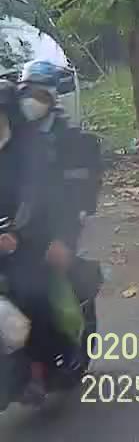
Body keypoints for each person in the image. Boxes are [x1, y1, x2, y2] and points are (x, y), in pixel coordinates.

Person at [0, 60, 81, 402]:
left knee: (29, 292)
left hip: (29, 237)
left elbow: (36, 195)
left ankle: (41, 364)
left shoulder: (31, 148)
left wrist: (16, 232)